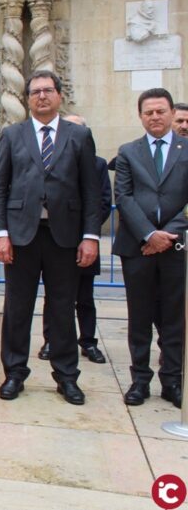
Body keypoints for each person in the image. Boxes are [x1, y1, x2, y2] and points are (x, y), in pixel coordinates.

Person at [0, 70, 100, 405]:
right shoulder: (13, 135)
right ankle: (14, 373)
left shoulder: (79, 135)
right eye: (35, 91)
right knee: (17, 308)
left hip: (64, 236)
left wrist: (91, 236)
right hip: (21, 236)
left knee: (62, 309)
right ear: (27, 99)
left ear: (59, 95)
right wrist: (0, 233)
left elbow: (91, 190)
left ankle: (66, 377)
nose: (41, 96)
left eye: (47, 90)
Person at [114, 88, 188, 409]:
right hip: (137, 247)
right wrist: (148, 234)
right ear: (140, 116)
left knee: (174, 317)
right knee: (139, 316)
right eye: (149, 112)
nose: (155, 117)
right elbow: (123, 197)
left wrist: (166, 235)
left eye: (160, 111)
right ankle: (139, 380)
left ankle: (172, 380)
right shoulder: (128, 152)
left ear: (172, 113)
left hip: (176, 247)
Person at [38, 114, 112, 364]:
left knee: (85, 296)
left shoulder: (98, 164)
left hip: (83, 239)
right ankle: (51, 340)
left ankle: (88, 342)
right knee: (54, 295)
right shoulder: (48, 161)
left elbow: (102, 202)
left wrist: (87, 233)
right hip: (56, 240)